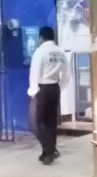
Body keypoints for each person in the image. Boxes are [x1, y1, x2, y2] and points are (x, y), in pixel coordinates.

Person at [27, 26, 69, 165]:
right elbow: (67, 73)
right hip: (55, 88)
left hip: (42, 88)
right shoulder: (60, 52)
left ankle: (50, 150)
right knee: (51, 122)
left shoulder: (40, 52)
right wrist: (60, 86)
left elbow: (35, 73)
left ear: (41, 37)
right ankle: (47, 151)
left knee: (37, 122)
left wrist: (33, 91)